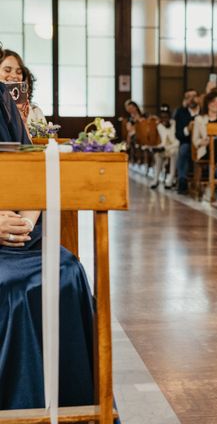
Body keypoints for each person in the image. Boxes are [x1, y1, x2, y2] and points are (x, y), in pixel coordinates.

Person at [0, 83, 95, 410]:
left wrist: (24, 223)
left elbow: (32, 172)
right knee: (16, 290)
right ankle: (20, 405)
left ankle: (72, 406)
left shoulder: (3, 98)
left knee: (67, 269)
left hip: (17, 227)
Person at [0, 49, 46, 129]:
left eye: (19, 72)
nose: (14, 76)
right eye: (7, 70)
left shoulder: (31, 111)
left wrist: (23, 120)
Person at [174, 89, 200, 194]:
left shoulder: (203, 111)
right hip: (187, 142)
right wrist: (187, 129)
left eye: (194, 96)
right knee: (183, 149)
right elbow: (178, 134)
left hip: (203, 143)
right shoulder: (181, 112)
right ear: (185, 100)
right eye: (188, 97)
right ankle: (182, 180)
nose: (192, 99)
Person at [193, 90, 217, 161]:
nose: (216, 104)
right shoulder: (199, 119)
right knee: (216, 144)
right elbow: (195, 140)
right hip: (206, 149)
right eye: (213, 101)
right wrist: (205, 141)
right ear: (207, 103)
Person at [151, 105, 179, 189]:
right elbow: (163, 141)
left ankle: (170, 179)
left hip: (175, 147)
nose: (164, 119)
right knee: (157, 155)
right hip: (165, 148)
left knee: (175, 153)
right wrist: (158, 147)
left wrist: (166, 147)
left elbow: (177, 141)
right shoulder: (159, 126)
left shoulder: (174, 124)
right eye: (162, 117)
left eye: (166, 116)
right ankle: (156, 179)